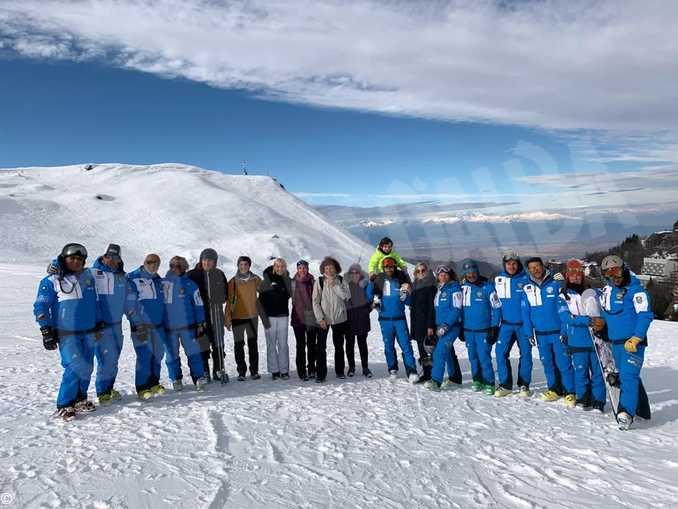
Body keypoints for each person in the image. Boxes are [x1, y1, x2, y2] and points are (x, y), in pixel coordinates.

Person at [34, 243, 104, 421]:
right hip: (67, 332)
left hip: (88, 331)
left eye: (79, 259)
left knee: (87, 367)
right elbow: (41, 306)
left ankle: (80, 399)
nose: (75, 262)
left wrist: (98, 322)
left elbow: (95, 303)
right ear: (64, 258)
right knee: (74, 366)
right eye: (72, 258)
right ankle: (64, 404)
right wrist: (45, 329)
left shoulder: (88, 278)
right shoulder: (52, 280)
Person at [596, 255, 653, 429]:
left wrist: (637, 337)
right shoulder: (607, 290)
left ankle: (625, 413)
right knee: (629, 377)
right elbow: (607, 313)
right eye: (609, 273)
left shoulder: (637, 291)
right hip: (616, 343)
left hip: (632, 343)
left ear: (624, 268)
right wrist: (601, 324)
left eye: (616, 270)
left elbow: (645, 315)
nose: (614, 275)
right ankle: (642, 410)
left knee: (628, 377)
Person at [521, 257, 576, 406]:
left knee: (564, 363)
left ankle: (570, 392)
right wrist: (528, 333)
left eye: (537, 266)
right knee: (547, 363)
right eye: (531, 268)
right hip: (540, 334)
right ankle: (554, 389)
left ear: (543, 266)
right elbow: (525, 313)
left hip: (557, 331)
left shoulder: (555, 283)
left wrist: (565, 330)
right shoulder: (527, 288)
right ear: (528, 270)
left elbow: (567, 307)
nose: (535, 270)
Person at [90, 243, 138, 405]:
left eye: (115, 257)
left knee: (114, 358)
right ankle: (102, 391)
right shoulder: (91, 273)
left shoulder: (121, 278)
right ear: (104, 257)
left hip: (117, 325)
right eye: (109, 256)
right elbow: (68, 272)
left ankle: (109, 387)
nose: (112, 260)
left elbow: (129, 303)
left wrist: (135, 321)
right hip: (100, 325)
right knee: (105, 358)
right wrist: (55, 266)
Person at [558, 259, 605, 411]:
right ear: (567, 275)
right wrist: (588, 321)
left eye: (578, 273)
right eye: (572, 273)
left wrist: (600, 322)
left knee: (597, 372)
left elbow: (602, 310)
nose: (576, 276)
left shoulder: (593, 292)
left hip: (595, 340)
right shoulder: (563, 296)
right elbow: (566, 318)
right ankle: (583, 397)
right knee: (581, 371)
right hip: (577, 340)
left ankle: (598, 400)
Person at [366, 257, 419, 383]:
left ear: (394, 267)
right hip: (384, 319)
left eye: (391, 267)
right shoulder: (379, 279)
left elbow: (408, 302)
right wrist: (370, 282)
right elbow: (369, 296)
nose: (389, 269)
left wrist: (406, 296)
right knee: (388, 346)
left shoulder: (401, 279)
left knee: (406, 345)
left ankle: (411, 370)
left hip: (399, 319)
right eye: (386, 267)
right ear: (383, 268)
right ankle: (392, 369)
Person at [163, 256, 209, 392]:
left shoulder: (191, 284)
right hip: (169, 327)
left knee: (194, 353)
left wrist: (201, 322)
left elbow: (199, 305)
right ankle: (176, 379)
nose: (175, 269)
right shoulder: (163, 283)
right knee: (172, 355)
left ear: (184, 268)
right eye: (172, 266)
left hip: (188, 327)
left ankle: (198, 377)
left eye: (178, 266)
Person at [410, 261, 460, 384]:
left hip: (436, 324)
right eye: (418, 271)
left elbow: (434, 309)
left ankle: (436, 378)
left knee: (438, 351)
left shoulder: (433, 287)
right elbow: (412, 304)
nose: (421, 273)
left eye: (423, 270)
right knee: (434, 350)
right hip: (422, 323)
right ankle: (451, 377)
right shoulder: (418, 286)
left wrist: (432, 325)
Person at [127, 253, 168, 400]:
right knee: (144, 356)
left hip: (158, 325)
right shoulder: (132, 277)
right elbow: (130, 304)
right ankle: (142, 387)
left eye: (156, 263)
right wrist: (137, 323)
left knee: (157, 355)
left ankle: (154, 383)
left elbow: (163, 303)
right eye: (150, 262)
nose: (153, 265)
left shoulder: (158, 280)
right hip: (142, 326)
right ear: (144, 262)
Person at [493, 251, 533, 398]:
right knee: (500, 353)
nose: (511, 266)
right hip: (506, 325)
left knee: (526, 354)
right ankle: (505, 384)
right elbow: (495, 304)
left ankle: (524, 384)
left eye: (514, 263)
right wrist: (493, 325)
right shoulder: (498, 280)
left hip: (523, 325)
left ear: (518, 264)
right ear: (504, 265)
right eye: (508, 263)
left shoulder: (526, 279)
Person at [459, 259, 501, 395]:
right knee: (473, 357)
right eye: (468, 273)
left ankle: (489, 382)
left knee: (484, 357)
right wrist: (460, 327)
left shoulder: (487, 287)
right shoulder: (462, 288)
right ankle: (477, 380)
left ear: (477, 271)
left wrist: (494, 327)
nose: (471, 275)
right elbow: (459, 309)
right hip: (468, 330)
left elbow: (496, 308)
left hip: (484, 330)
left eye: (473, 272)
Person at [187, 248, 229, 383]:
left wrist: (220, 297)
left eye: (210, 260)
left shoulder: (219, 274)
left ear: (215, 262)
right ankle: (204, 370)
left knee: (218, 342)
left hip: (216, 313)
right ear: (201, 260)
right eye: (205, 260)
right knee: (202, 343)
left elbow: (226, 294)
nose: (207, 263)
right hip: (201, 315)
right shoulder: (193, 275)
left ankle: (219, 368)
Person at [312, 256, 351, 382]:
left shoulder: (341, 280)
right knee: (321, 347)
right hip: (324, 319)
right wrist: (320, 318)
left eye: (331, 267)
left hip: (340, 319)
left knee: (339, 346)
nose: (328, 270)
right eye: (326, 268)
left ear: (336, 269)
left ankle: (340, 371)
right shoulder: (319, 281)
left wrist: (335, 285)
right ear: (323, 269)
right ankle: (321, 374)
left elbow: (346, 296)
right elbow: (315, 301)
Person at [424, 265, 463, 391]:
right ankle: (454, 379)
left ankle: (435, 381)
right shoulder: (439, 289)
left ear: (450, 275)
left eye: (446, 274)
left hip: (451, 326)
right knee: (448, 353)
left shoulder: (454, 288)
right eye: (440, 275)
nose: (443, 276)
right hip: (440, 326)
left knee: (440, 352)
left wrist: (446, 325)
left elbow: (456, 309)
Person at [225, 256, 262, 381]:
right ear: (238, 266)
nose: (243, 267)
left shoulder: (255, 279)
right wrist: (227, 318)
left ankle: (254, 371)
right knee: (238, 345)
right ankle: (241, 371)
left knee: (253, 344)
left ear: (249, 266)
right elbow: (230, 301)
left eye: (246, 264)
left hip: (252, 316)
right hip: (237, 317)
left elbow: (265, 291)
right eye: (241, 264)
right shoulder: (232, 282)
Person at [259, 258, 293, 380]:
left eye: (282, 266)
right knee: (271, 344)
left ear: (285, 268)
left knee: (283, 344)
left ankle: (284, 370)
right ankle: (274, 370)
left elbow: (291, 295)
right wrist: (264, 319)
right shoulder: (266, 280)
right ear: (274, 267)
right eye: (278, 266)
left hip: (283, 316)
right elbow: (260, 301)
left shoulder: (288, 281)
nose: (280, 268)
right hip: (270, 317)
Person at [291, 260, 319, 381]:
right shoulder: (292, 282)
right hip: (297, 317)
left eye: (304, 268)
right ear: (297, 269)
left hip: (310, 316)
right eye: (300, 268)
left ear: (307, 269)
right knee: (300, 345)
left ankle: (312, 368)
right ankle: (302, 371)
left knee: (312, 345)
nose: (302, 270)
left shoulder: (313, 281)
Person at [345, 264, 372, 378]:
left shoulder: (366, 285)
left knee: (362, 344)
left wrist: (366, 310)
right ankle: (351, 367)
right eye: (352, 273)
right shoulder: (345, 285)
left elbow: (371, 299)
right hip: (349, 319)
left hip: (362, 318)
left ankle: (365, 368)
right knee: (350, 344)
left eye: (357, 272)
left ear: (361, 274)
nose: (355, 275)